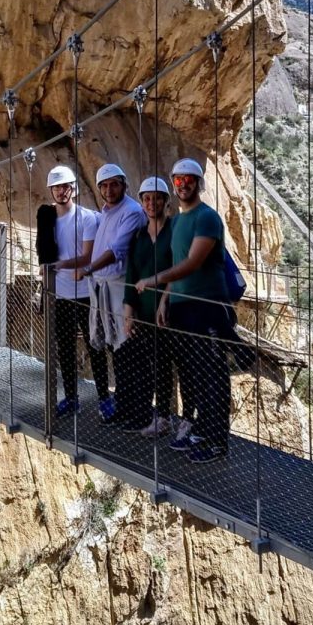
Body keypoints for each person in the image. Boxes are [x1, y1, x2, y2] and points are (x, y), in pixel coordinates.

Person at [135, 157, 231, 461]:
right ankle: (201, 431)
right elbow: (178, 265)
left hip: (208, 308)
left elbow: (192, 263)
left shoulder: (207, 218)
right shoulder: (177, 222)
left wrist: (153, 281)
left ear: (199, 183)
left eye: (189, 179)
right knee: (197, 374)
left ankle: (218, 442)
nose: (184, 184)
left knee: (214, 375)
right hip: (182, 308)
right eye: (178, 180)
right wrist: (165, 300)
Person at [77, 163, 146, 420]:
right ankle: (124, 405)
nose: (109, 190)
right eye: (104, 185)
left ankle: (135, 410)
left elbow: (118, 248)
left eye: (114, 184)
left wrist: (90, 268)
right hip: (103, 288)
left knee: (127, 348)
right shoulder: (105, 213)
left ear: (124, 185)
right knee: (114, 347)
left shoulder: (132, 211)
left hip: (119, 288)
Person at [40, 165, 107, 418]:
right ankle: (70, 397)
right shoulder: (48, 221)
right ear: (51, 191)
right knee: (65, 348)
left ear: (73, 189)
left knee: (95, 345)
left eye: (64, 186)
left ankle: (104, 398)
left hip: (86, 293)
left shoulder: (87, 218)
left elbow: (87, 256)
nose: (60, 191)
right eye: (56, 187)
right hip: (61, 294)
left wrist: (58, 265)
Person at [119, 176, 176, 433]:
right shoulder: (139, 237)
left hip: (168, 312)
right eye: (147, 199)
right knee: (145, 364)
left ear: (166, 201)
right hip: (142, 312)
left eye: (157, 198)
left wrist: (165, 299)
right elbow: (132, 276)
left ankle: (166, 416)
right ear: (142, 203)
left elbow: (179, 268)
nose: (152, 203)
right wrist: (128, 314)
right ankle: (146, 414)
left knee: (166, 364)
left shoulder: (175, 231)